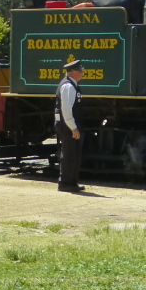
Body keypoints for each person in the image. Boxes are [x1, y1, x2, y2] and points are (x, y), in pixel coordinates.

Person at [55, 58, 85, 193]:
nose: (82, 72)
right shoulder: (68, 86)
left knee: (74, 153)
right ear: (72, 72)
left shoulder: (73, 85)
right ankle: (65, 183)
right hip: (68, 125)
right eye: (79, 70)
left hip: (70, 124)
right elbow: (66, 109)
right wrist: (73, 127)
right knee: (69, 153)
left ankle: (72, 182)